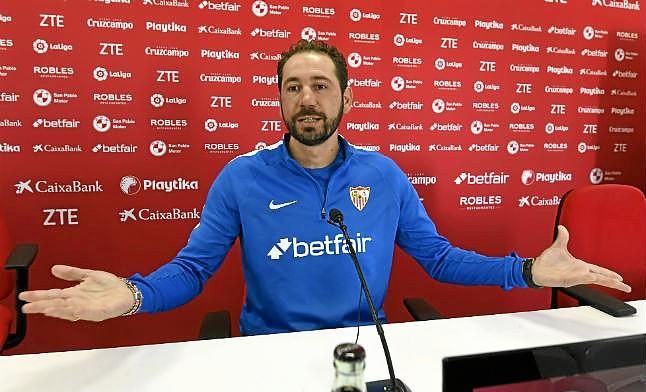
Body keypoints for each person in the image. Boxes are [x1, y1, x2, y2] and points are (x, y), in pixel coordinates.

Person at [19, 40, 631, 335]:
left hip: (365, 345)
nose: (306, 99)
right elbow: (192, 269)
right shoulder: (241, 177)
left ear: (346, 98)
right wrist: (132, 295)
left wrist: (528, 271)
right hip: (268, 349)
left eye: (320, 85)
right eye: (293, 87)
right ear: (279, 99)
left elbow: (440, 259)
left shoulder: (383, 175)